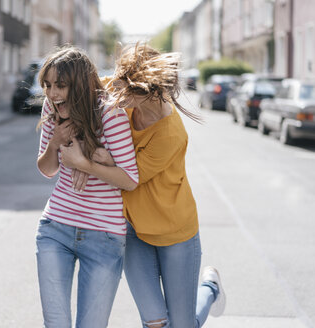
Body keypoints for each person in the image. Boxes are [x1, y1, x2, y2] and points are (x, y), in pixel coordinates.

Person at [74, 43, 226, 328]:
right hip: (133, 229)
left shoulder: (170, 132)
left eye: (125, 90)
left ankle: (210, 289)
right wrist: (83, 141)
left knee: (181, 325)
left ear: (149, 92)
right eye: (117, 83)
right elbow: (80, 99)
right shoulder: (122, 91)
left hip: (175, 232)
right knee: (155, 322)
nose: (116, 95)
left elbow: (129, 180)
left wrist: (94, 159)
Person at [35, 45, 139, 328]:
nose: (53, 93)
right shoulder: (52, 108)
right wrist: (56, 140)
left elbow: (130, 179)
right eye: (47, 85)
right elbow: (47, 169)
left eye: (61, 85)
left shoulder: (110, 114)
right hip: (56, 228)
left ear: (80, 84)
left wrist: (84, 163)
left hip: (104, 237)